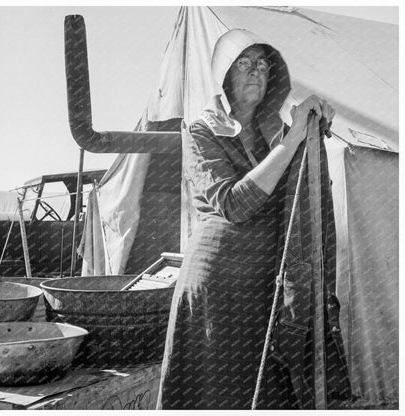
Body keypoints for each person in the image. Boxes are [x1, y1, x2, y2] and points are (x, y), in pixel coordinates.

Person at [156, 28, 350, 410]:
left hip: (265, 288)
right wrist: (293, 139)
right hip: (217, 289)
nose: (255, 71)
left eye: (263, 64)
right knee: (216, 392)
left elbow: (297, 188)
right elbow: (234, 205)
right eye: (244, 63)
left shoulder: (271, 134)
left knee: (263, 393)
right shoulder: (201, 130)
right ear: (225, 75)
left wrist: (309, 126)